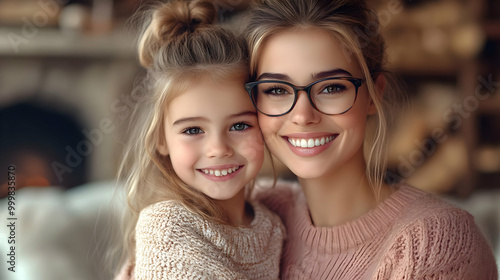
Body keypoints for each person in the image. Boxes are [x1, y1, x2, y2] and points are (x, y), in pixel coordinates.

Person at [243, 0, 498, 279]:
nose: (303, 115)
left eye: (331, 87)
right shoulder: (254, 215)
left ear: (374, 94)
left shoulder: (436, 244)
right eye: (277, 90)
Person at [113, 0, 285, 279]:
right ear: (161, 140)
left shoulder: (271, 223)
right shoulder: (166, 226)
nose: (218, 149)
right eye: (193, 130)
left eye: (240, 125)